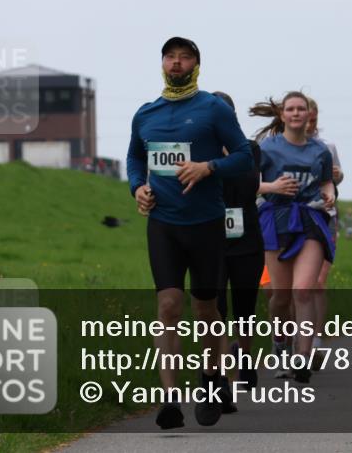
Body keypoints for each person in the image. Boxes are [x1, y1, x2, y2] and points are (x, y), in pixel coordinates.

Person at [127, 37, 252, 429]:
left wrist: (208, 168)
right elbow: (134, 157)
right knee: (167, 307)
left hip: (205, 224)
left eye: (184, 57)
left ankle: (211, 379)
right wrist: (138, 188)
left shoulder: (213, 109)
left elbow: (244, 156)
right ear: (162, 63)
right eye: (170, 57)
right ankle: (169, 400)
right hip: (163, 223)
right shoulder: (146, 113)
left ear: (196, 64)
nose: (176, 63)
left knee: (205, 311)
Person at [251, 92, 336, 384]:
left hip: (310, 218)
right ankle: (280, 344)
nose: (297, 113)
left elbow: (326, 180)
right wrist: (273, 185)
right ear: (283, 115)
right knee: (280, 297)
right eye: (291, 109)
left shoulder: (320, 151)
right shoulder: (268, 148)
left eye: (301, 109)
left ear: (308, 115)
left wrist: (330, 195)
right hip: (276, 219)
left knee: (303, 290)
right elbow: (249, 183)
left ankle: (302, 356)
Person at [212, 92, 265, 393]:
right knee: (215, 307)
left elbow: (249, 185)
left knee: (244, 308)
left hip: (246, 237)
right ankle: (219, 374)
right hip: (211, 238)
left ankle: (245, 359)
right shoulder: (196, 152)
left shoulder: (249, 149)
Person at [305, 97, 344, 366]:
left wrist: (337, 175)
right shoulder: (279, 147)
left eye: (314, 119)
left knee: (318, 281)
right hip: (293, 220)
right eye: (307, 117)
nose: (310, 123)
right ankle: (297, 340)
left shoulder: (326, 147)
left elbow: (337, 178)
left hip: (324, 217)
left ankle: (315, 341)